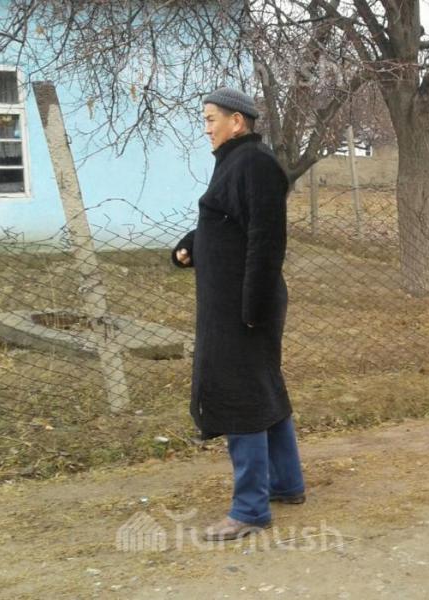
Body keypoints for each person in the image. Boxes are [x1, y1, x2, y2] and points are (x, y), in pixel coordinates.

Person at [172, 87, 305, 541]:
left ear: (237, 122)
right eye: (205, 119)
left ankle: (250, 509)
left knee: (240, 395)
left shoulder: (255, 164)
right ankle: (286, 483)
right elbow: (228, 219)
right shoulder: (235, 162)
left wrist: (253, 309)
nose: (206, 128)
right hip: (234, 303)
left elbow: (267, 240)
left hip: (244, 305)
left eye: (211, 119)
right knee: (263, 387)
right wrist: (192, 244)